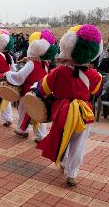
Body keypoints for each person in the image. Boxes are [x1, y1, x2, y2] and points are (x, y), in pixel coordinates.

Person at [35, 24, 103, 186]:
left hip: (61, 112)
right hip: (83, 113)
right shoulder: (95, 75)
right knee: (78, 143)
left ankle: (63, 161)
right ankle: (72, 173)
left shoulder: (59, 72)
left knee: (62, 137)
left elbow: (42, 89)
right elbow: (96, 92)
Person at [5, 29, 58, 142]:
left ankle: (23, 130)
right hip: (41, 91)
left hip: (28, 91)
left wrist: (9, 74)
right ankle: (40, 135)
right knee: (39, 112)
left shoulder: (31, 64)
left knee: (23, 110)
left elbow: (20, 76)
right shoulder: (45, 63)